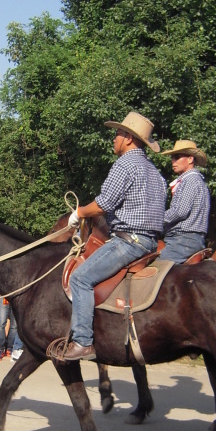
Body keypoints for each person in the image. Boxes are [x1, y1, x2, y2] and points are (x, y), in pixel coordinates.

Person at [61, 112, 167, 360]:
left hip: (129, 242)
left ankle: (83, 341)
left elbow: (104, 204)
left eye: (118, 134)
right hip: (152, 242)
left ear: (129, 138)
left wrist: (79, 213)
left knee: (80, 278)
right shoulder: (156, 173)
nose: (114, 138)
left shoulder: (125, 164)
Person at [159, 139, 210, 263]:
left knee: (155, 269)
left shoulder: (190, 180)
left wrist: (155, 220)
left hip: (182, 240)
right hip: (189, 239)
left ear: (190, 159)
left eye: (177, 157)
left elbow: (180, 211)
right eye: (172, 157)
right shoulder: (196, 181)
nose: (173, 161)